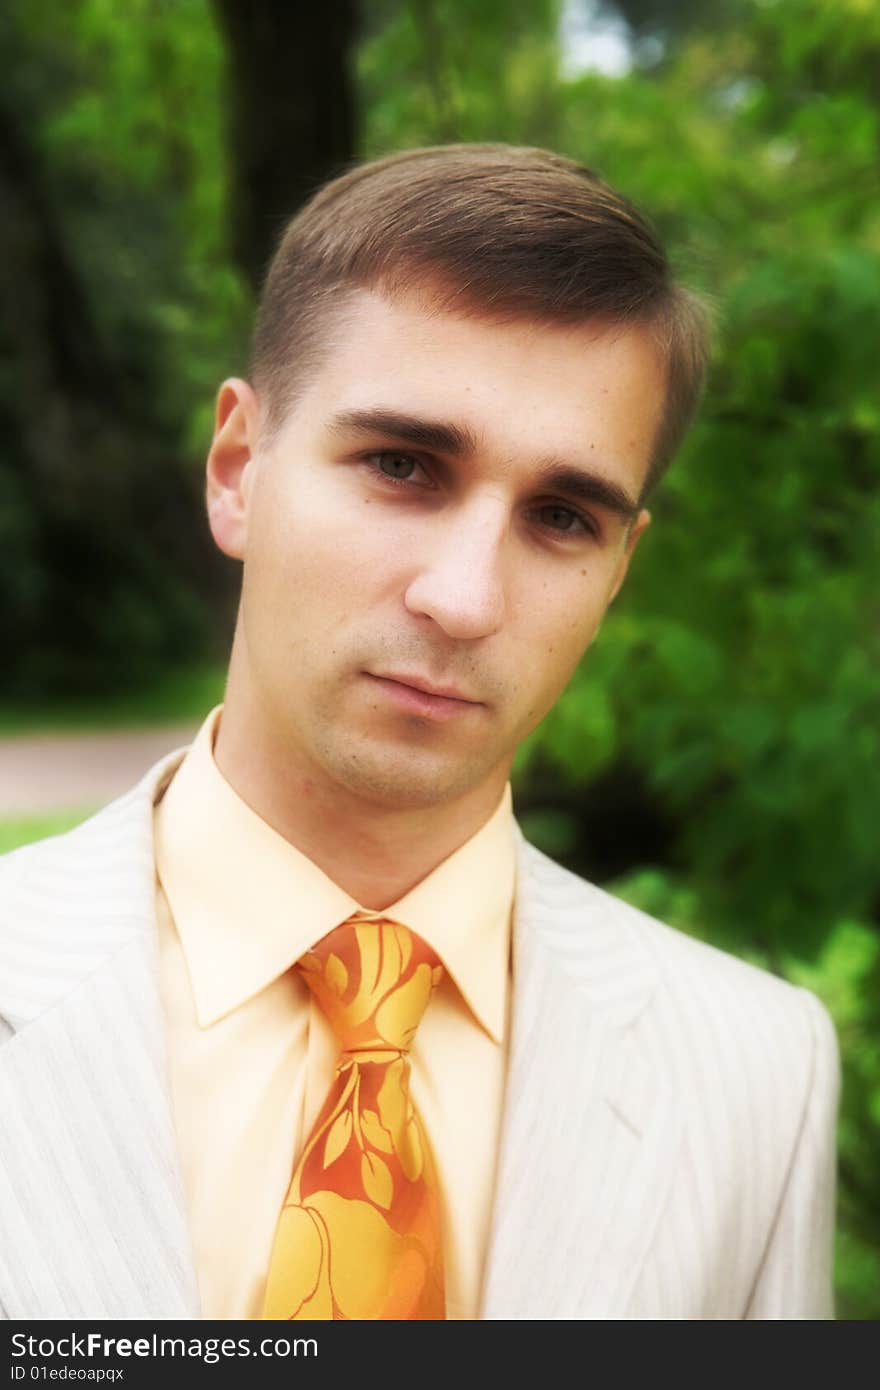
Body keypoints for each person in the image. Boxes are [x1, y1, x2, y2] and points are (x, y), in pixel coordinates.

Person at [0, 143, 839, 1322]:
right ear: (238, 469)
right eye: (402, 466)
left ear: (618, 569)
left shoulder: (758, 1072)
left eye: (559, 516)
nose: (465, 597)